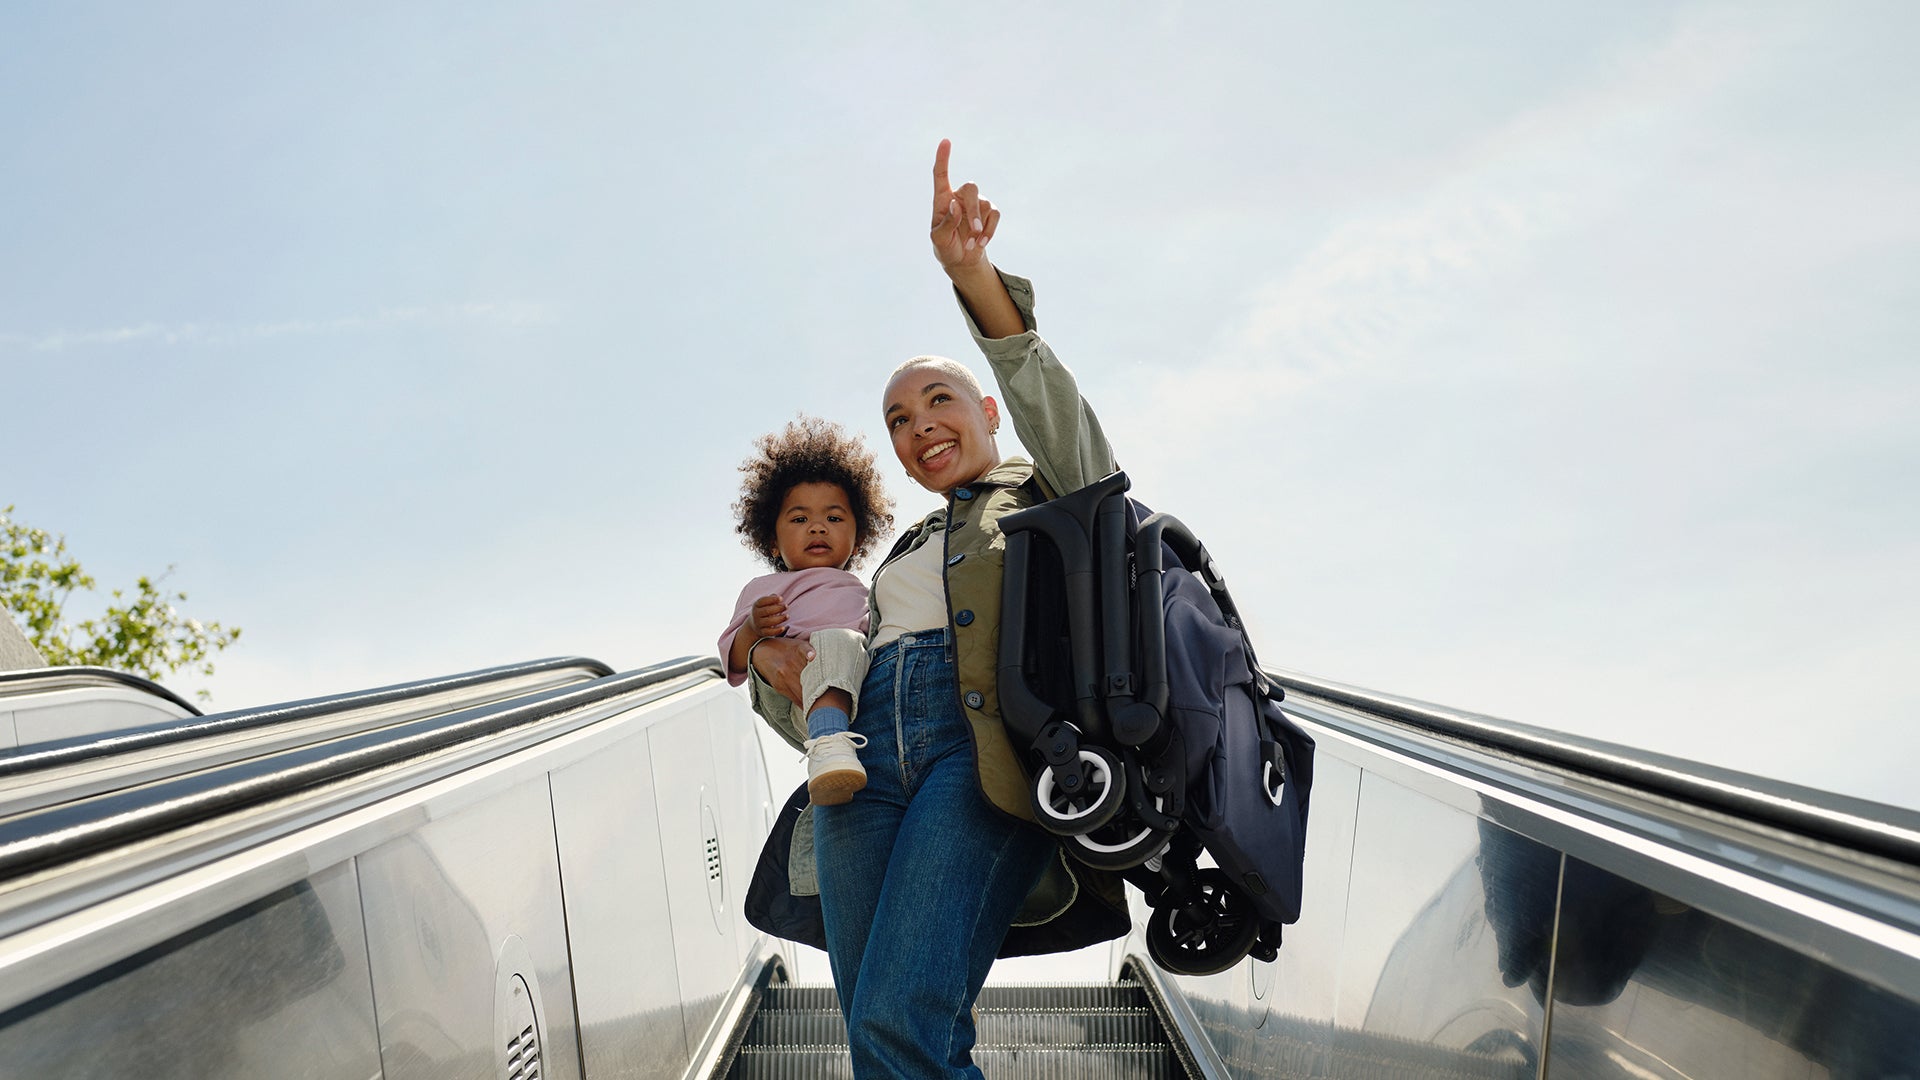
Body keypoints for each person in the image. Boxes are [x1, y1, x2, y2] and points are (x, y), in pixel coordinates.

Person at [747, 139, 1129, 1079]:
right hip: (864, 765)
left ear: (987, 412)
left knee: (900, 1013)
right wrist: (767, 668)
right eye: (899, 423)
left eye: (938, 401)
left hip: (981, 756)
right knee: (881, 1023)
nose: (920, 429)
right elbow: (810, 692)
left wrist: (973, 275)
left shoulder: (1050, 488)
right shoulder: (900, 560)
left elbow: (1055, 405)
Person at [719, 416, 895, 805]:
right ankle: (828, 746)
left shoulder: (869, 590)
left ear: (858, 536)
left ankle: (838, 760)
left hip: (860, 694)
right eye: (800, 519)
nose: (817, 527)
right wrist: (753, 628)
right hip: (802, 696)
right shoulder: (765, 589)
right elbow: (732, 658)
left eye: (833, 518)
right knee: (833, 642)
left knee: (851, 646)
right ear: (772, 541)